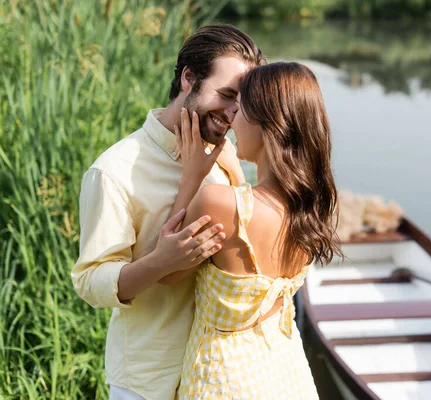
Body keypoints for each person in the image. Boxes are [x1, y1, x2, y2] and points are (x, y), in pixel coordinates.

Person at [71, 25, 265, 400]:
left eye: (240, 104)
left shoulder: (228, 156)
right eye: (225, 95)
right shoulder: (115, 170)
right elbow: (91, 282)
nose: (232, 114)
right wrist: (160, 262)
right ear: (188, 78)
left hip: (221, 375)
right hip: (151, 379)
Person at [161, 61, 342, 399]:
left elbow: (167, 272)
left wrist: (191, 177)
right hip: (286, 373)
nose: (231, 121)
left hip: (226, 380)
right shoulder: (311, 206)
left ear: (267, 125)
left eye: (240, 109)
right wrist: (238, 171)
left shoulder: (218, 202)